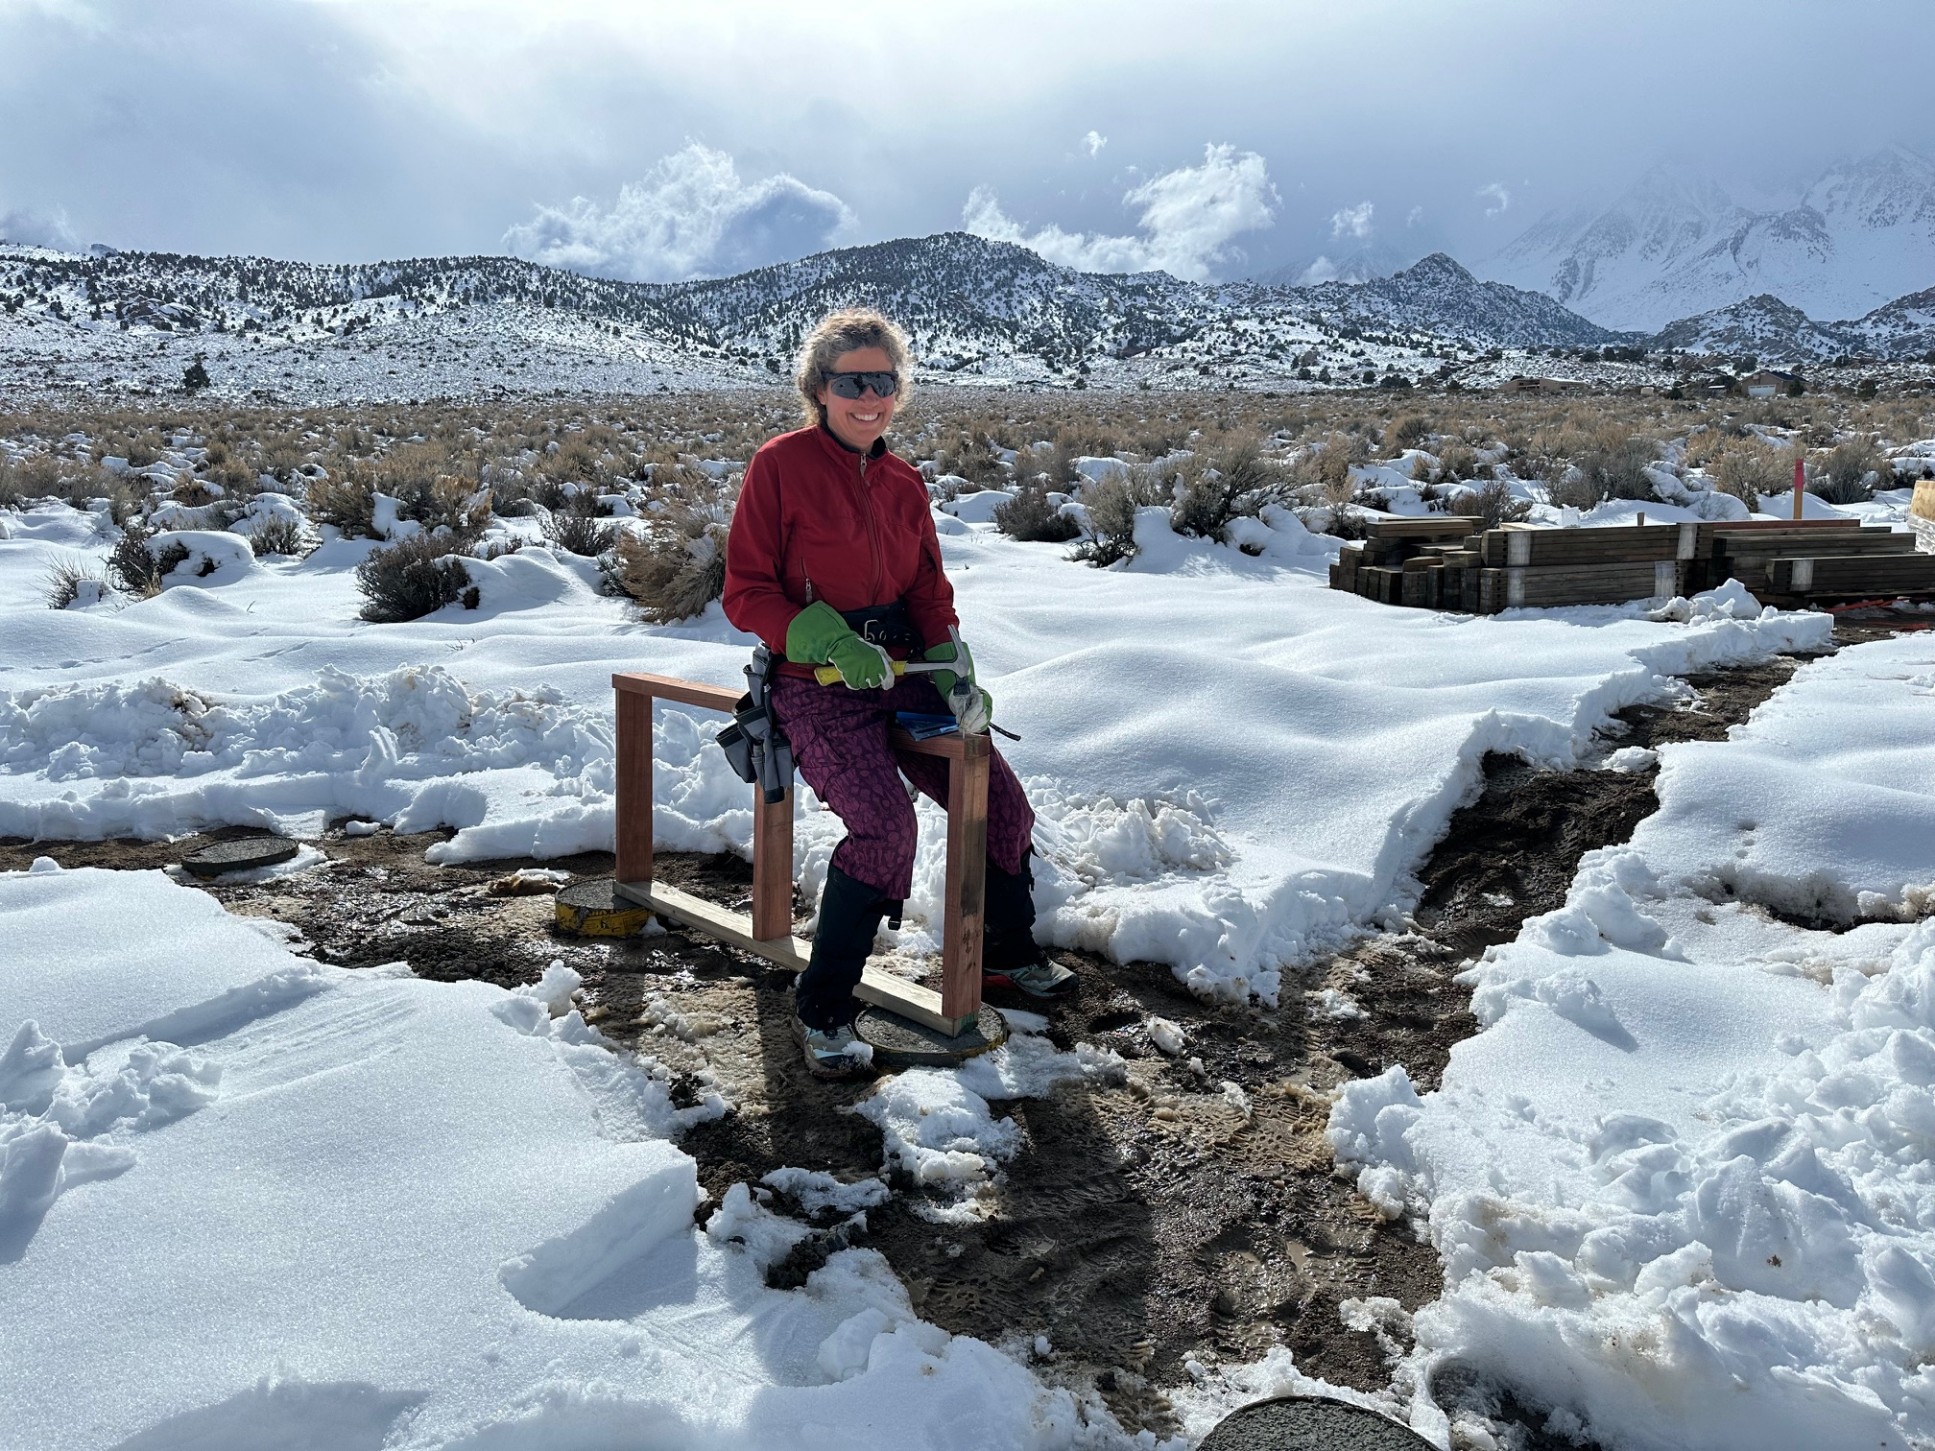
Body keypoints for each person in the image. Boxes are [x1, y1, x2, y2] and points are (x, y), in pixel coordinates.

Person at [722, 308, 1076, 1078]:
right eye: (853, 380)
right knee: (885, 831)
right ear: (819, 387)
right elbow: (745, 592)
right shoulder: (778, 466)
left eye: (884, 380)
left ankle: (1004, 959)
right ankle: (823, 1010)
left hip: (904, 674)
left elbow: (926, 587)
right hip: (816, 684)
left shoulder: (903, 479)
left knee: (1001, 805)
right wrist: (827, 641)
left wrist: (953, 665)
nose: (870, 396)